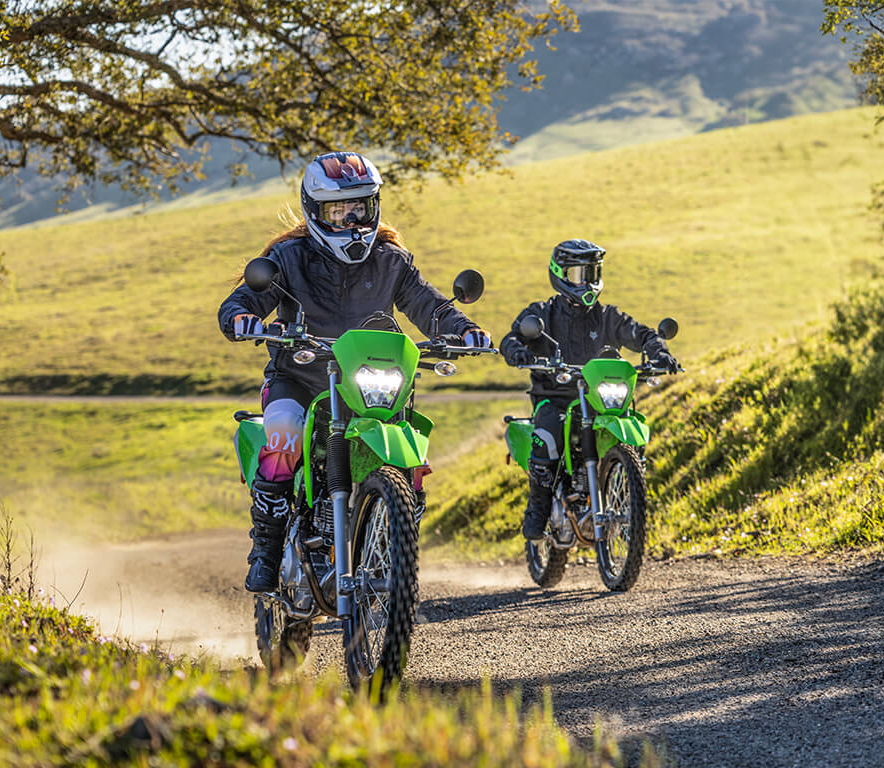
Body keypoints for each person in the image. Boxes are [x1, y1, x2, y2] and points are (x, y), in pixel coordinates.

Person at [218, 151, 491, 592]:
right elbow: (245, 299)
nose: (351, 221)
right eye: (338, 211)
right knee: (283, 434)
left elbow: (430, 305)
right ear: (314, 210)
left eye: (360, 208)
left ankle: (393, 535)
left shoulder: (392, 260)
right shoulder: (288, 258)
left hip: (370, 384)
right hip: (300, 379)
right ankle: (266, 553)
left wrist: (464, 329)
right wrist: (241, 317)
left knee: (411, 449)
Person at [499, 239, 679, 540]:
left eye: (592, 274)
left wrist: (659, 352)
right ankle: (538, 508)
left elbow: (642, 334)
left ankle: (627, 494)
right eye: (578, 275)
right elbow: (511, 338)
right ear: (559, 275)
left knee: (633, 425)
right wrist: (519, 352)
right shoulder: (542, 314)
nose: (586, 282)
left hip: (599, 399)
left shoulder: (608, 316)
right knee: (548, 435)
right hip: (554, 398)